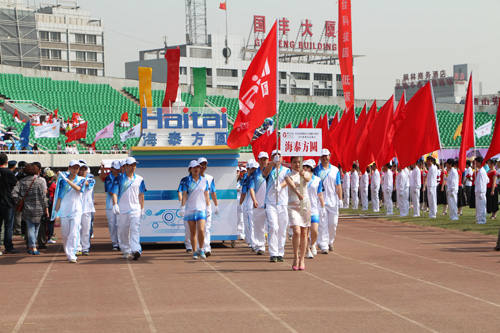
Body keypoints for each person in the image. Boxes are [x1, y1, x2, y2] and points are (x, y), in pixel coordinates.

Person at [111, 157, 146, 260]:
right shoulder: (119, 178)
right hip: (122, 210)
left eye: (134, 165)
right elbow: (114, 193)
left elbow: (141, 195)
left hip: (135, 209)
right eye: (130, 165)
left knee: (135, 230)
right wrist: (115, 204)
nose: (133, 167)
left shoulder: (140, 179)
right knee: (123, 232)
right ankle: (126, 250)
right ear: (125, 166)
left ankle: (136, 250)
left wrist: (142, 208)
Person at [53, 160, 85, 263]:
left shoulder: (81, 179)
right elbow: (59, 197)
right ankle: (68, 252)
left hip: (76, 211)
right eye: (73, 167)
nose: (75, 170)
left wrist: (67, 180)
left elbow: (78, 188)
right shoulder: (62, 181)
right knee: (65, 234)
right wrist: (56, 213)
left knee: (74, 233)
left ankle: (71, 254)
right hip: (64, 210)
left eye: (77, 168)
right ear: (69, 168)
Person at [12, 163, 48, 255]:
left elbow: (13, 194)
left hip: (27, 208)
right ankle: (33, 246)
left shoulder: (21, 182)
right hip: (39, 208)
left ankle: (32, 245)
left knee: (31, 228)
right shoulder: (39, 181)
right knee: (36, 228)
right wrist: (46, 208)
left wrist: (20, 201)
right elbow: (44, 197)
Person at [178, 160, 209, 260]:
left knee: (201, 230)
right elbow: (184, 195)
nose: (196, 169)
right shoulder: (185, 180)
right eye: (194, 167)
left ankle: (201, 249)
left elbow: (206, 195)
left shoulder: (204, 180)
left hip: (201, 209)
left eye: (198, 167)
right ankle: (194, 251)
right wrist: (182, 207)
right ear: (190, 169)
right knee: (193, 232)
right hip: (190, 210)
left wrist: (208, 207)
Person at [285, 156, 312, 270]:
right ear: (291, 163)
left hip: (305, 205)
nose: (297, 164)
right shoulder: (288, 175)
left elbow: (308, 179)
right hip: (293, 205)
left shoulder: (306, 173)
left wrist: (303, 174)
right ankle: (295, 257)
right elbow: (291, 185)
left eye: (299, 162)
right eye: (295, 162)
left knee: (304, 232)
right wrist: (297, 193)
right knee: (296, 231)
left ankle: (302, 259)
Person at [263, 150, 290, 262]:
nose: (277, 157)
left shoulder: (286, 170)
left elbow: (288, 180)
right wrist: (273, 163)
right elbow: (264, 173)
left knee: (282, 229)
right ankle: (273, 253)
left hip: (282, 202)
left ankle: (280, 252)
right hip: (270, 203)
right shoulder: (269, 169)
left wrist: (281, 186)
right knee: (274, 227)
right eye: (274, 156)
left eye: (279, 156)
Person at [314, 149, 342, 254]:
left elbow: (338, 185)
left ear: (330, 156)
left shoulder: (335, 170)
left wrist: (340, 199)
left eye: (327, 156)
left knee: (333, 224)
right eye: (323, 156)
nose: (325, 158)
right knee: (323, 224)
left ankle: (330, 241)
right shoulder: (316, 170)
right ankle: (324, 245)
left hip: (333, 201)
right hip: (321, 202)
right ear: (320, 157)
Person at [302, 159, 325, 259]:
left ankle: (313, 244)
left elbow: (319, 194)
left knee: (315, 230)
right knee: (305, 231)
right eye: (304, 166)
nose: (305, 168)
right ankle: (308, 251)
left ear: (311, 168)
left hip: (314, 208)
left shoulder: (318, 180)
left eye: (307, 166)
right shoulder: (300, 179)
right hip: (303, 208)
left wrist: (323, 206)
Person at [248, 152, 269, 255]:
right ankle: (260, 246)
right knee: (258, 226)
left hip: (270, 203)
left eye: (265, 159)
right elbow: (251, 188)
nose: (263, 161)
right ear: (258, 160)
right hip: (258, 204)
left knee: (273, 226)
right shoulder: (254, 173)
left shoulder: (272, 172)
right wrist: (254, 200)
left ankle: (275, 246)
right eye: (261, 159)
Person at [198, 157, 219, 257]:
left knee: (206, 228)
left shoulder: (210, 178)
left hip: (207, 206)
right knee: (199, 229)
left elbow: (213, 192)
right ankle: (199, 247)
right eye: (201, 164)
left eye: (205, 164)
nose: (203, 166)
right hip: (196, 206)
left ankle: (206, 248)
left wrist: (216, 205)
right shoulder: (193, 178)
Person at [0, 153, 20, 254]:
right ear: (6, 162)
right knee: (8, 226)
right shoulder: (8, 172)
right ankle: (8, 247)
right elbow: (16, 184)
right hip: (7, 202)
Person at [76, 163, 95, 256]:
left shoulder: (91, 180)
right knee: (77, 229)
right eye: (81, 169)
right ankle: (78, 247)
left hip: (87, 208)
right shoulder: (75, 179)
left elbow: (86, 184)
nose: (83, 172)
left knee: (86, 230)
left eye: (85, 170)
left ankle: (85, 248)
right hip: (76, 208)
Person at [104, 160, 121, 251]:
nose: (117, 171)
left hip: (121, 204)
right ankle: (115, 243)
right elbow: (110, 191)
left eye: (119, 169)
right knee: (113, 225)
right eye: (116, 169)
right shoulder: (108, 178)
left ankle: (121, 242)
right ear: (112, 168)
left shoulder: (121, 176)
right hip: (110, 206)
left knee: (120, 224)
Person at [240, 160, 258, 249]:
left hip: (257, 203)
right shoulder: (246, 178)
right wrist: (240, 204)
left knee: (254, 224)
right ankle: (251, 241)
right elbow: (244, 192)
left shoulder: (259, 177)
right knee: (248, 224)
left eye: (255, 169)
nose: (253, 171)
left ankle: (254, 242)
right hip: (248, 203)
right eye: (251, 169)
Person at [474, 157, 488, 224]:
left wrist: (481, 191)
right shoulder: (480, 171)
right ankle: (479, 219)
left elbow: (483, 182)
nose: (475, 163)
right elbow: (487, 180)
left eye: (476, 162)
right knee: (479, 207)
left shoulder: (482, 171)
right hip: (478, 191)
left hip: (481, 192)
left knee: (481, 207)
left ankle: (482, 220)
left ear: (479, 162)